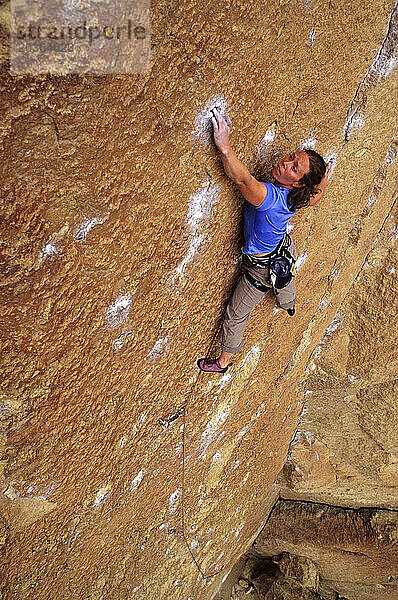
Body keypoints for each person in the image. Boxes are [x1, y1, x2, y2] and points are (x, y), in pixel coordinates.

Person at [197, 109, 330, 373]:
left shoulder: (267, 198)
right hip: (282, 248)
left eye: (294, 168)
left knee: (236, 315)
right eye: (292, 157)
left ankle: (222, 363)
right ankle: (288, 304)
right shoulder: (297, 198)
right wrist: (323, 175)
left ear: (298, 184)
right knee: (284, 276)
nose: (286, 163)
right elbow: (317, 196)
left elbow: (242, 178)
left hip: (259, 267)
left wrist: (224, 146)